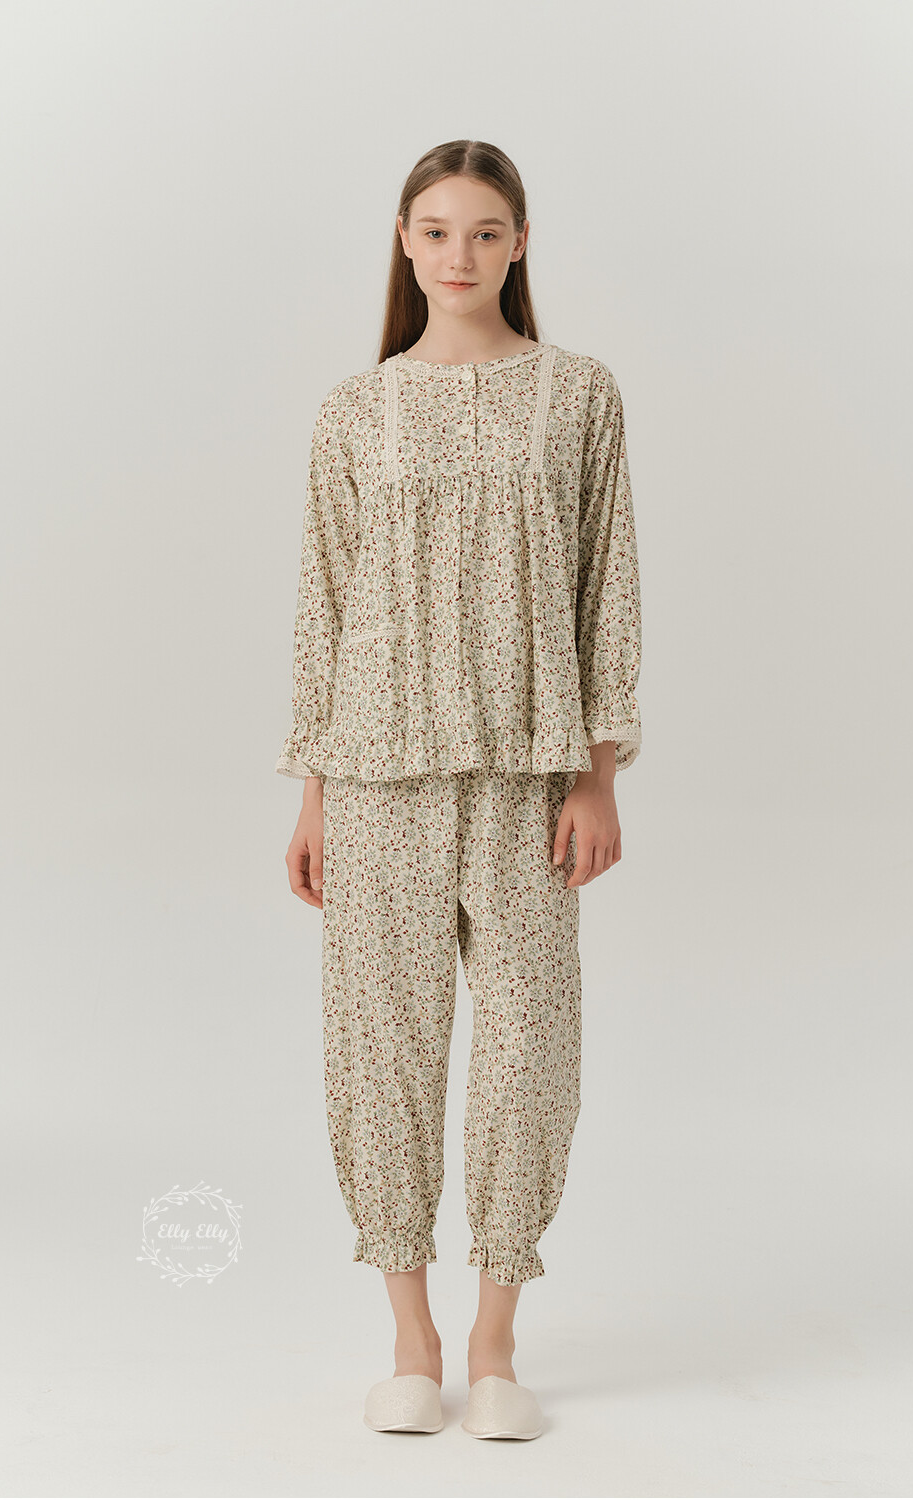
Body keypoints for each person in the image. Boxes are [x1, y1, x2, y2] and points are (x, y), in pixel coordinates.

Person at [275, 139, 643, 1439]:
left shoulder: (579, 395)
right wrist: (314, 794)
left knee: (530, 1051)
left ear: (520, 243)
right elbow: (323, 604)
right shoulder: (354, 409)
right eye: (436, 231)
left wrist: (599, 774)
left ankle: (496, 1340)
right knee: (380, 1050)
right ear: (404, 240)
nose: (459, 255)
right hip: (378, 773)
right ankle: (411, 1340)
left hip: (531, 774)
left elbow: (607, 585)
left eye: (485, 231)